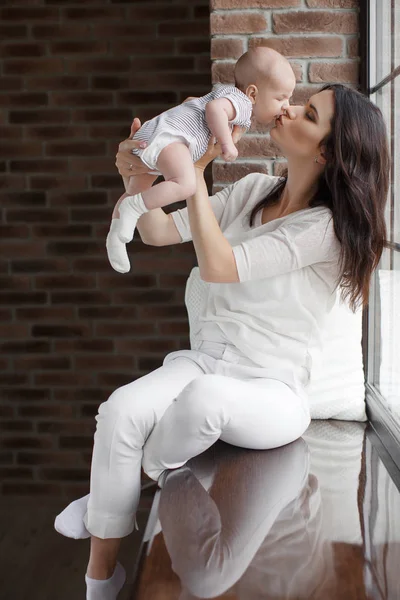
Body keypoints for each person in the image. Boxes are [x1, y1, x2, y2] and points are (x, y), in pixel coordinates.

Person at [54, 83, 390, 600]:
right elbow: (159, 234)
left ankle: (131, 485)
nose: (289, 107)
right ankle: (100, 582)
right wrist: (141, 177)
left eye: (310, 112)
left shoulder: (324, 229)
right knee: (120, 410)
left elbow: (220, 266)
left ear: (327, 151)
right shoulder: (253, 189)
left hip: (273, 388)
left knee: (203, 406)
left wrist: (191, 176)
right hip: (206, 360)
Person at [106, 47, 296, 274]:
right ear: (253, 93)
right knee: (185, 185)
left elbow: (157, 233)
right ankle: (132, 208)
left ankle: (115, 235)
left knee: (136, 190)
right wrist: (227, 144)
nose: (287, 106)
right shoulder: (241, 102)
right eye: (281, 97)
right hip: (172, 138)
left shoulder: (233, 99)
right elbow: (214, 109)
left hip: (161, 137)